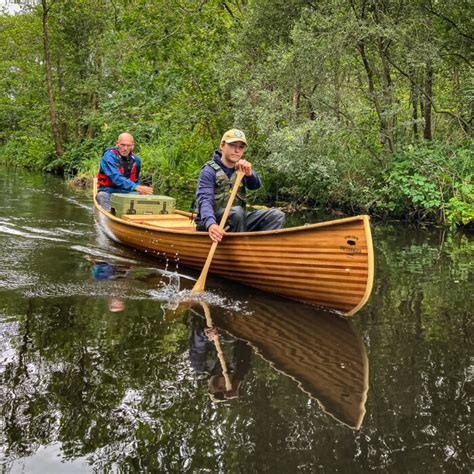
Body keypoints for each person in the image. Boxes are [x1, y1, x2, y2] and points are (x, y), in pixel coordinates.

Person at [195, 129, 285, 242]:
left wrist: (250, 174)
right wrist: (211, 224)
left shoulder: (242, 168)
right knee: (237, 212)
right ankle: (242, 249)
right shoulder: (209, 171)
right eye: (232, 145)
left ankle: (264, 251)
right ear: (222, 145)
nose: (237, 150)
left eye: (241, 147)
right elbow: (204, 201)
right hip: (210, 223)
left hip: (238, 220)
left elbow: (255, 185)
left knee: (276, 215)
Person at [96, 132, 153, 211]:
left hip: (127, 192)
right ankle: (109, 215)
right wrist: (136, 187)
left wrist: (139, 189)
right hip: (108, 191)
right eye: (123, 145)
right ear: (117, 144)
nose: (125, 148)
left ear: (132, 146)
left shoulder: (136, 160)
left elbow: (136, 179)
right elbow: (115, 177)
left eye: (128, 145)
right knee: (101, 195)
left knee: (140, 196)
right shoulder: (108, 157)